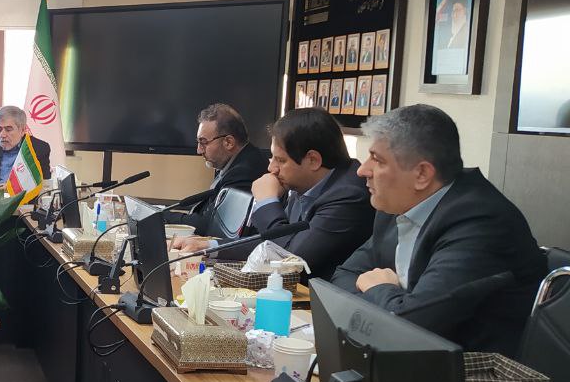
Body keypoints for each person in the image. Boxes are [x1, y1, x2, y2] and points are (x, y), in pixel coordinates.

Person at [331, 104, 546, 356]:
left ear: (422, 174)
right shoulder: (396, 203)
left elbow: (412, 326)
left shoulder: (481, 221)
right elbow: (342, 279)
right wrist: (391, 301)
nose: (362, 170)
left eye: (377, 160)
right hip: (406, 356)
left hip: (474, 370)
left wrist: (377, 289)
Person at [173, 108, 373, 281]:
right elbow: (268, 243)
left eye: (280, 160)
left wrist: (267, 202)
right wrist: (208, 247)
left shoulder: (348, 195)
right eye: (273, 158)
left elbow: (290, 257)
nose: (271, 168)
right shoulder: (300, 181)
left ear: (313, 160)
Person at [163, 103, 269, 235]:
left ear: (229, 142)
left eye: (203, 142)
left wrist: (161, 216)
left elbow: (210, 225)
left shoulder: (245, 171)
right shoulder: (236, 161)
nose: (199, 150)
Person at [0, 105, 51, 194]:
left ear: (22, 130)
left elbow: (45, 183)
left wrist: (13, 188)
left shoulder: (39, 149)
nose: (2, 135)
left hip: (24, 200)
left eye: (8, 130)